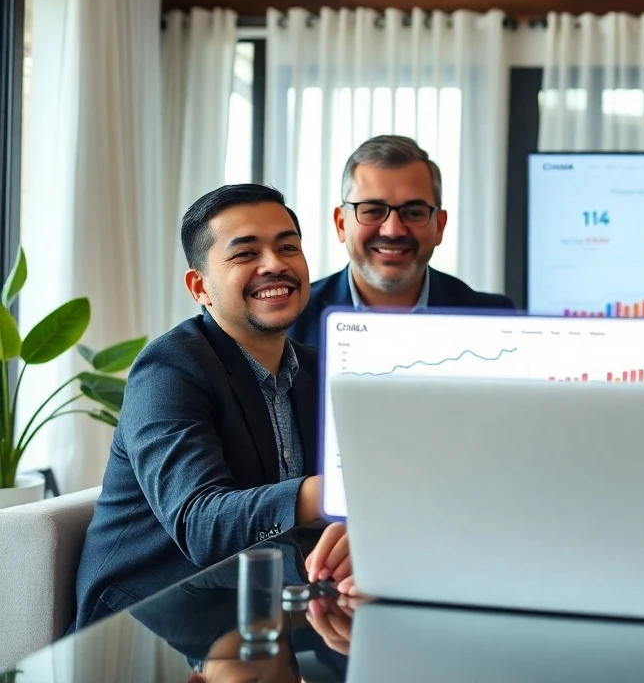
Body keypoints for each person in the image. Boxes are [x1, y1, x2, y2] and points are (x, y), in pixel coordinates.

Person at [74, 185, 326, 629]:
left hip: (262, 613)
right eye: (245, 254)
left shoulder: (317, 369)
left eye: (288, 246)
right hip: (145, 629)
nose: (275, 264)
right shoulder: (169, 367)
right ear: (200, 287)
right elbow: (202, 524)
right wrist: (332, 494)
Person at [288, 135, 513, 349]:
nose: (393, 230)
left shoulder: (494, 320)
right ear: (341, 225)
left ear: (440, 226)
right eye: (373, 211)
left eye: (414, 212)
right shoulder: (290, 320)